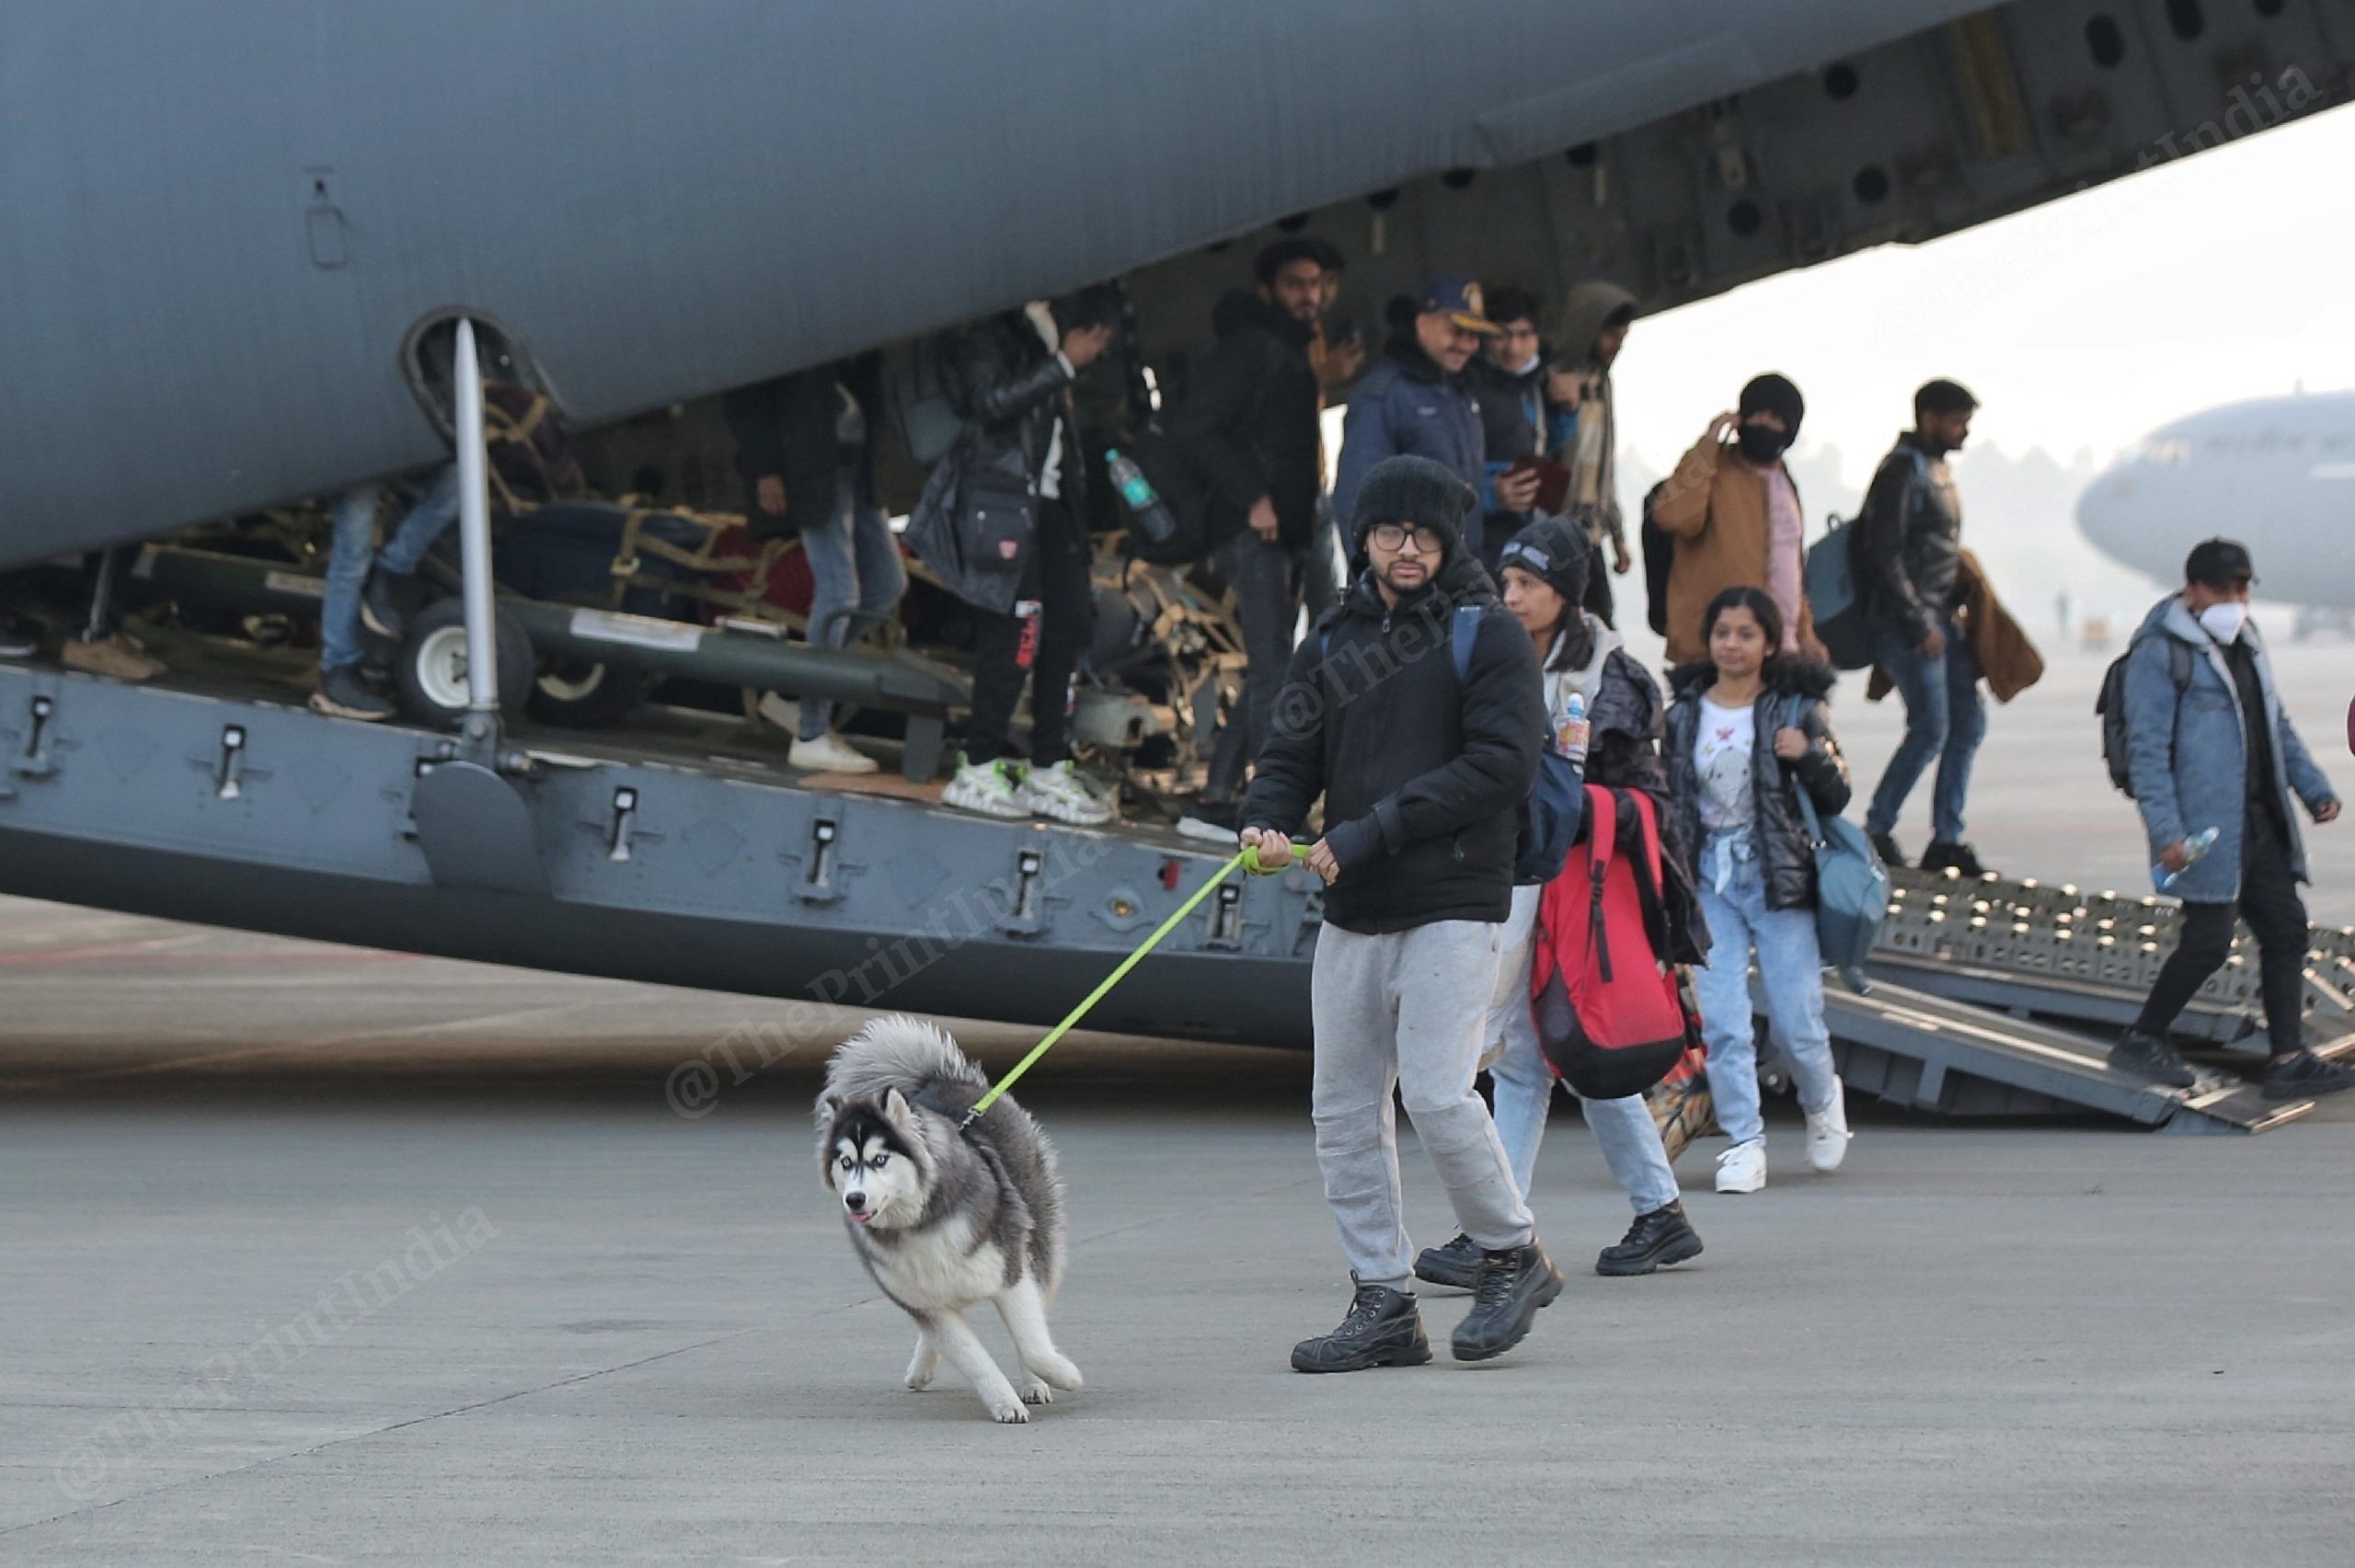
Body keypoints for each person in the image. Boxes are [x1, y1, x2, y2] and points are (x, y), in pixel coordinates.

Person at [1242, 454, 1564, 1371]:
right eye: (1390, 531)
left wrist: (1375, 829)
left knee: (1433, 1090)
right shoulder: (1333, 638)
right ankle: (1381, 1299)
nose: (1407, 547)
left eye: (1424, 533)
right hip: (1354, 907)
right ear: (1365, 538)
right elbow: (1288, 748)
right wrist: (1264, 819)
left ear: (1449, 538)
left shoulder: (1488, 634)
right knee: (1341, 1106)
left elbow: (1503, 764)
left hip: (1453, 900)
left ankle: (1511, 1252)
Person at [1412, 515, 1701, 1286]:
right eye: (1506, 582)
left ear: (1568, 595)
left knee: (1551, 1048)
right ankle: (1649, 1210)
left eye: (1528, 584)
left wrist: (1559, 797)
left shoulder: (1612, 676)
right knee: (1548, 1052)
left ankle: (1501, 1229)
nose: (1511, 596)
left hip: (1577, 887)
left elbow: (1644, 798)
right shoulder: (1500, 657)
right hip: (1520, 879)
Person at [2109, 540, 2353, 1100]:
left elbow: (2277, 725)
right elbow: (2148, 752)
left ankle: (2287, 1057)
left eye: (2243, 590)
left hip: (2261, 819)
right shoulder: (2160, 652)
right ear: (2192, 590)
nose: (2236, 601)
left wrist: (2313, 789)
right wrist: (2166, 832)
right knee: (2209, 942)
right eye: (2224, 590)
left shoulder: (2248, 641)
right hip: (2204, 828)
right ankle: (2143, 1037)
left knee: (2286, 929)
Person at [1665, 587, 1854, 1194]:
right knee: (1723, 1024)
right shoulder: (1685, 715)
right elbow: (1669, 800)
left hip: (1778, 879)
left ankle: (1823, 1099)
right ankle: (1745, 1141)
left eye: (1747, 633)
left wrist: (1810, 756)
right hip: (1710, 883)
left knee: (1798, 1020)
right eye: (1723, 631)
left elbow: (1839, 791)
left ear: (1770, 642)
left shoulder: (1794, 709)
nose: (1733, 643)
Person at [908, 296, 1118, 826]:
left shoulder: (1052, 322)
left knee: (1067, 628)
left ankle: (1049, 764)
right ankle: (979, 764)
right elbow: (990, 403)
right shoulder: (989, 328)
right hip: (1004, 504)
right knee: (1016, 634)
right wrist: (1064, 364)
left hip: (1054, 506)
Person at [1169, 240, 1331, 839]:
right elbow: (1197, 428)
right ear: (1268, 291)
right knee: (1274, 675)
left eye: (1317, 283)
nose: (1309, 296)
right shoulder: (1253, 349)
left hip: (1280, 531)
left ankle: (1217, 795)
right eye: (1295, 284)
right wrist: (1253, 498)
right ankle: (1269, 814)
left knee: (1274, 668)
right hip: (1251, 530)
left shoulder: (1282, 349)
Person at [723, 354, 906, 774]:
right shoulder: (785, 324)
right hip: (811, 462)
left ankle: (794, 694)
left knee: (887, 584)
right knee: (840, 591)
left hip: (855, 461)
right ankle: (811, 731)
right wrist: (765, 470)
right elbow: (746, 398)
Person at [1855, 379, 1987, 876]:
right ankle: (1877, 827)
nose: (1964, 431)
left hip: (1941, 621)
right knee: (1931, 727)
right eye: (1957, 421)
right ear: (1930, 417)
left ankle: (1947, 838)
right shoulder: (1900, 473)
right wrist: (1916, 623)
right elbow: (1883, 553)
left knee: (1968, 723)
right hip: (1909, 625)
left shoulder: (1935, 471)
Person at [1652, 373, 1816, 669]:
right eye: (1756, 415)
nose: (1764, 425)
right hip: (1713, 649)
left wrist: (1806, 634)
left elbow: (1790, 567)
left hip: (1778, 651)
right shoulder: (1712, 470)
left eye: (1775, 418)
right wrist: (1709, 442)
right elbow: (1672, 516)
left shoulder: (1785, 484)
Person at [1330, 276, 1497, 562]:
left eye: (1474, 336)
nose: (1467, 345)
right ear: (1423, 324)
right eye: (1456, 331)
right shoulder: (1382, 395)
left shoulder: (1461, 392)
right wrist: (1378, 583)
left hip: (1463, 574)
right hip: (1410, 579)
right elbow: (1358, 496)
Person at [310, 467, 459, 720]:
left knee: (455, 484)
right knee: (353, 554)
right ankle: (336, 673)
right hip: (352, 449)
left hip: (387, 441)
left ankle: (390, 572)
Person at [1545, 280, 1637, 626]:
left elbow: (1603, 467)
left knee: (1600, 626)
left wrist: (1618, 534)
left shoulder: (1602, 383)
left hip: (1589, 532)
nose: (1616, 347)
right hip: (1553, 532)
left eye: (1622, 338)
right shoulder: (1551, 380)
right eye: (1610, 336)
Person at [1463, 285, 1553, 578]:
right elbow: (1449, 461)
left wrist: (1566, 413)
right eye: (1502, 335)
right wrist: (1490, 491)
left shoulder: (1541, 383)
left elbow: (1545, 442)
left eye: (1524, 335)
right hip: (1484, 543)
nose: (1513, 348)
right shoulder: (1467, 386)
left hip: (1534, 533)